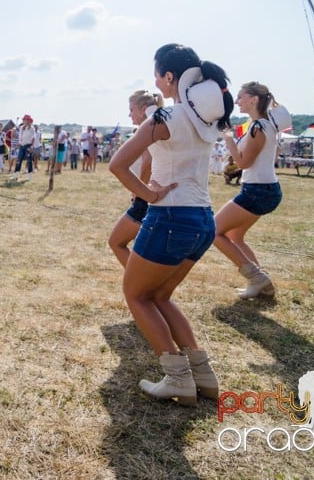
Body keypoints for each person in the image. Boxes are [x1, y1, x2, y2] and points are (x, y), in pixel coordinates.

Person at [109, 43, 233, 406]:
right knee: (161, 296)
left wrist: (147, 194)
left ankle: (177, 378)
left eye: (157, 73)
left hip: (170, 217)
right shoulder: (205, 119)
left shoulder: (166, 118)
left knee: (137, 295)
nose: (155, 81)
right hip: (203, 219)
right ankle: (204, 375)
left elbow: (118, 164)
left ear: (168, 77)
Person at [213, 82, 284, 299]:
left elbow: (243, 163)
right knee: (235, 236)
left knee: (213, 231)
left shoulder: (258, 127)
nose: (237, 101)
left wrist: (229, 140)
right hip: (265, 189)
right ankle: (262, 285)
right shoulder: (267, 125)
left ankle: (257, 278)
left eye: (240, 97)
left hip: (257, 191)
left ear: (253, 100)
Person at [107, 90, 164, 269]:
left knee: (116, 241)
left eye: (131, 109)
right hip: (159, 194)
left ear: (143, 109)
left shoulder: (148, 127)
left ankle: (138, 284)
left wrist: (139, 191)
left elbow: (148, 161)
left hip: (147, 196)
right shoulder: (161, 122)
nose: (129, 114)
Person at [11, 114, 34, 179]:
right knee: (19, 160)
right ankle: (16, 175)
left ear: (28, 121)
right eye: (23, 119)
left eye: (24, 119)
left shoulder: (31, 128)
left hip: (28, 146)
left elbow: (33, 138)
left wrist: (32, 146)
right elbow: (21, 138)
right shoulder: (21, 128)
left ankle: (29, 175)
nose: (23, 120)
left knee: (29, 160)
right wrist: (18, 145)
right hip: (21, 146)